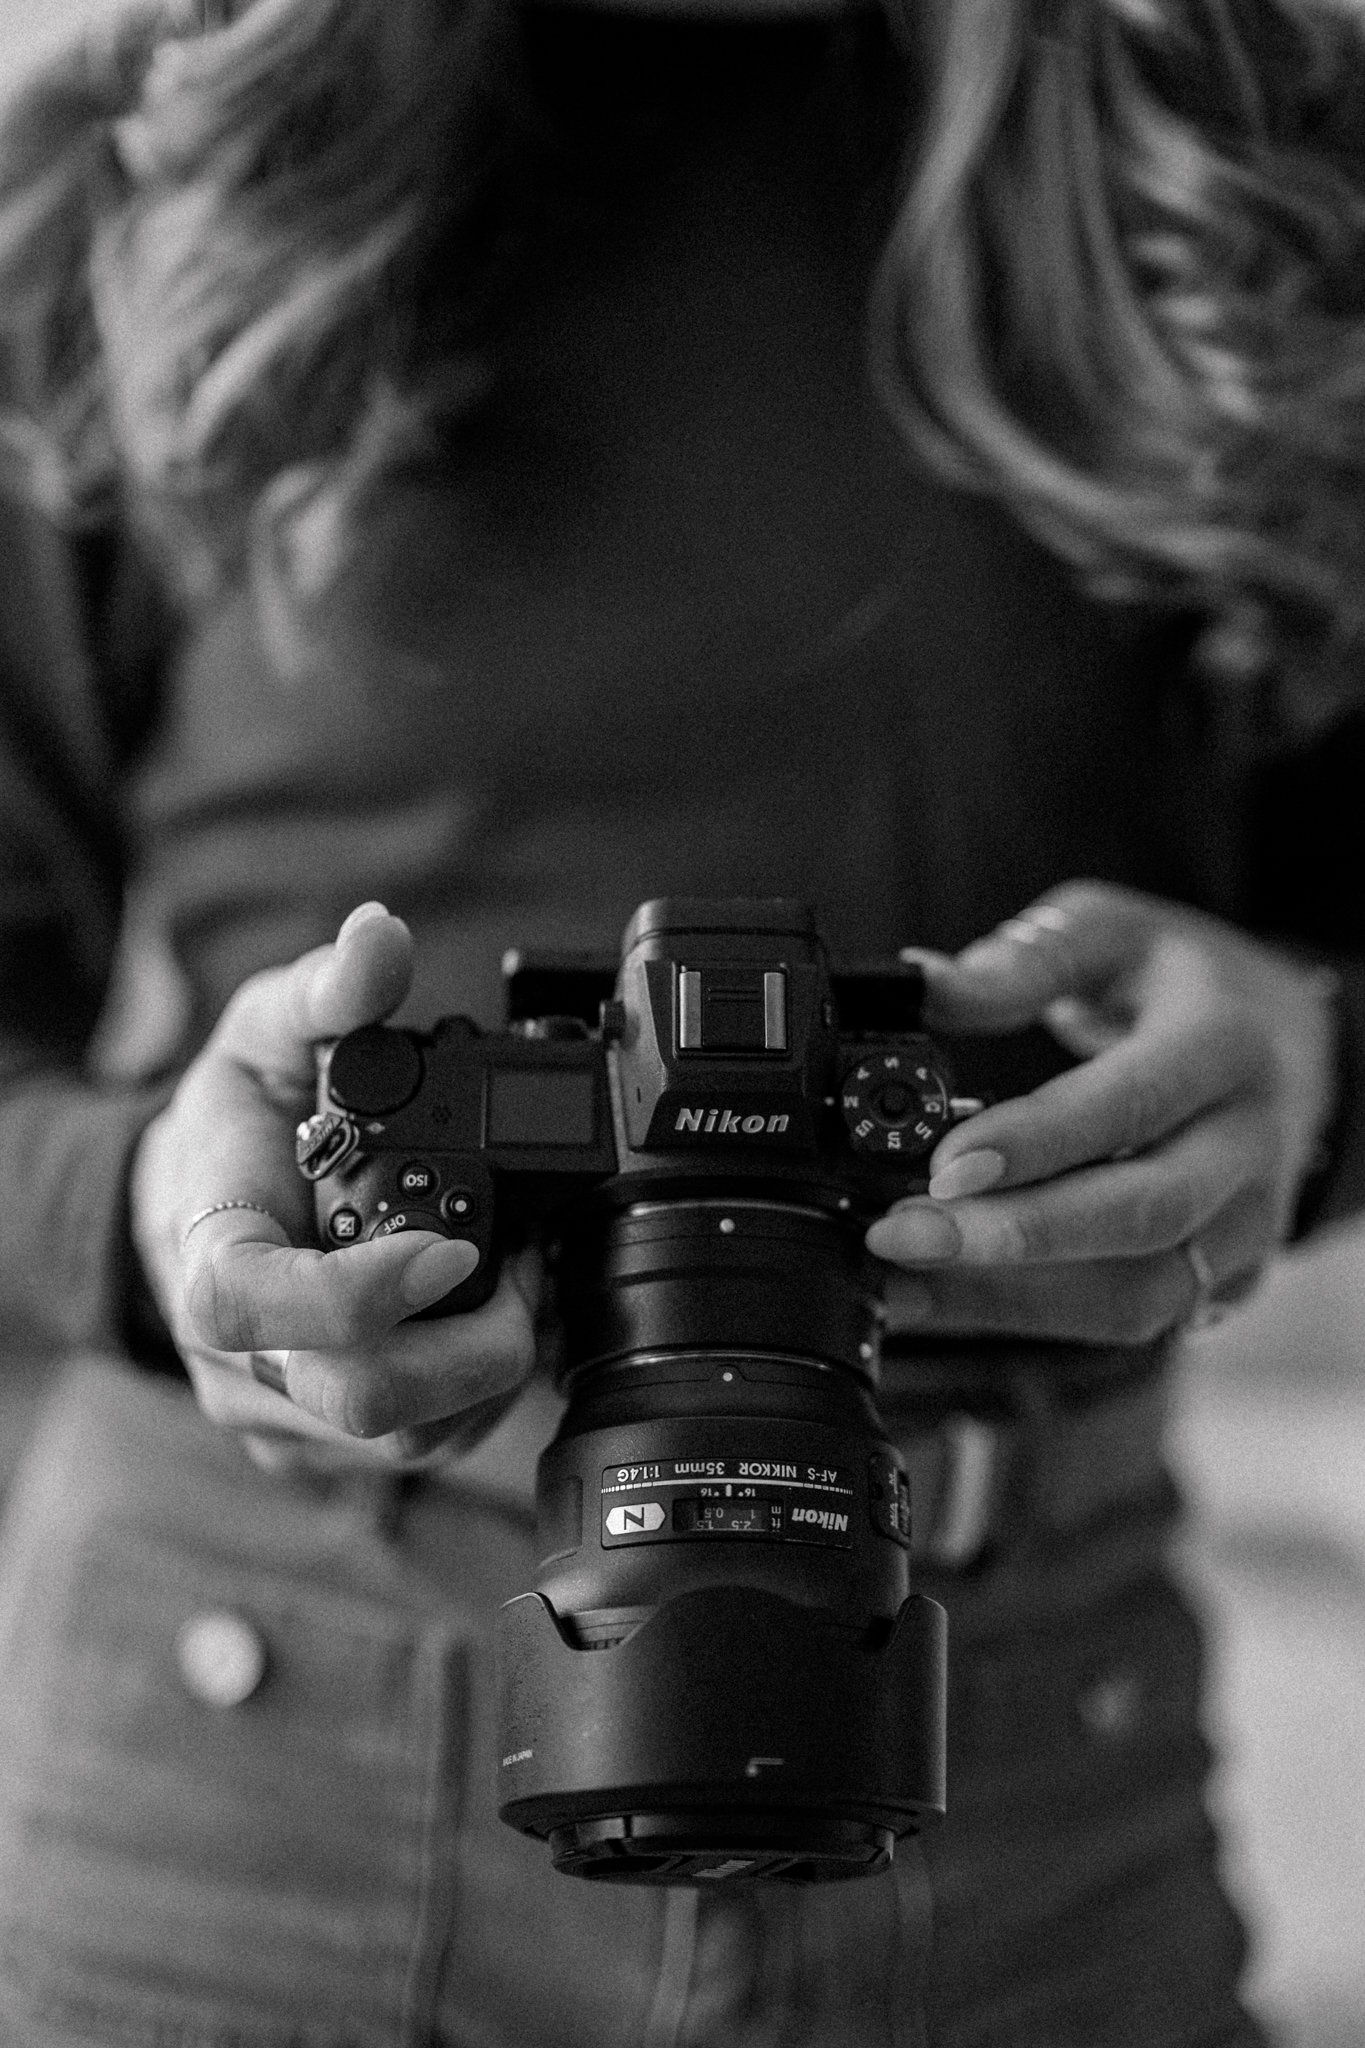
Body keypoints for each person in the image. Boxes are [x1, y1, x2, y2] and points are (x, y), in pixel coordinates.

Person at [0, 0, 1362, 2040]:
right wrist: (154, 1221)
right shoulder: (136, 166)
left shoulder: (1264, 157)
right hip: (254, 1724)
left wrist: (1317, 1063)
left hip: (1027, 1735)